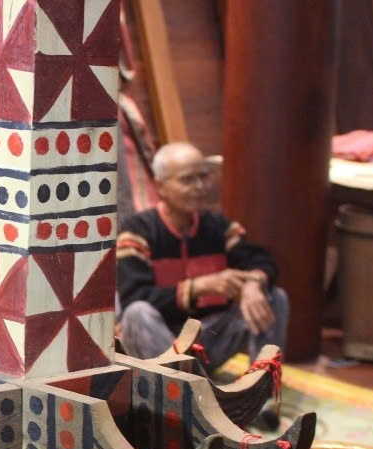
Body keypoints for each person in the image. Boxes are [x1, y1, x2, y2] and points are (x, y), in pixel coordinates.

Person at [116, 142, 289, 377]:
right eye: (188, 180)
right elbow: (134, 297)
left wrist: (254, 283)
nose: (199, 187)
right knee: (136, 313)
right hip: (160, 345)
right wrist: (198, 287)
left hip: (207, 342)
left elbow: (260, 259)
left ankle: (261, 390)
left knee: (275, 297)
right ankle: (184, 391)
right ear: (161, 187)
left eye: (204, 177)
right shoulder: (138, 232)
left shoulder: (217, 227)